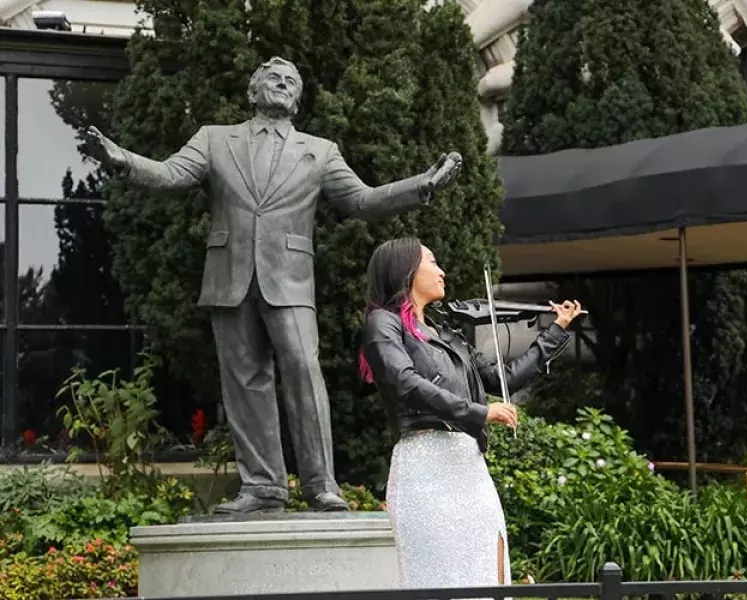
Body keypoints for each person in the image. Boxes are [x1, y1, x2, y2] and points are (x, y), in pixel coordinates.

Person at [84, 57, 462, 514]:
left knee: (304, 371)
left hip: (290, 279)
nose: (281, 85)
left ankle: (322, 484)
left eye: (290, 82)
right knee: (245, 381)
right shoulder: (214, 139)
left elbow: (362, 200)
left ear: (297, 99)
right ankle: (262, 487)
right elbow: (170, 175)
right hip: (230, 277)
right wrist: (120, 157)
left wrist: (422, 185)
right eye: (273, 79)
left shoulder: (319, 151)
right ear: (253, 91)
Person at [359, 237, 582, 590]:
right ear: (406, 270)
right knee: (440, 579)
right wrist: (479, 412)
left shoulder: (448, 335)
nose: (442, 271)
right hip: (425, 466)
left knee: (487, 572)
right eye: (432, 262)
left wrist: (555, 332)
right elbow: (406, 382)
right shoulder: (383, 324)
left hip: (469, 469)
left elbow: (502, 379)